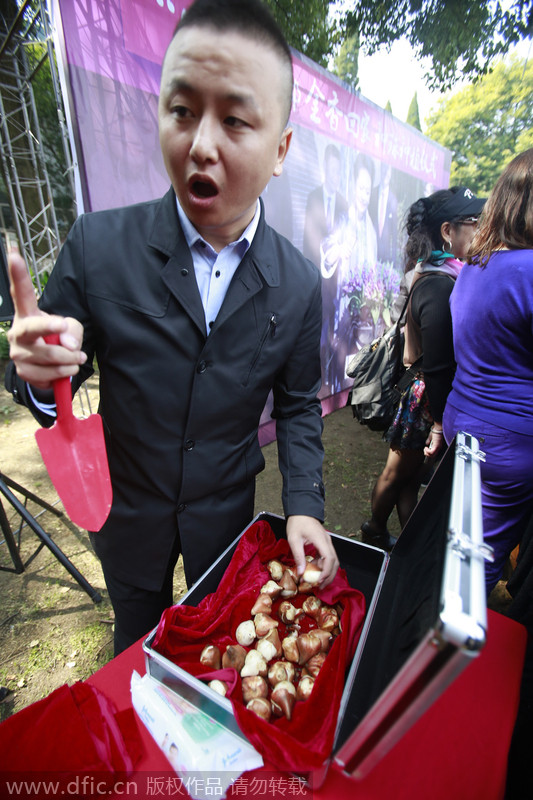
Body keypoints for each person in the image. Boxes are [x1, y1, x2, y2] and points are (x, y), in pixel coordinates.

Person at [5, 0, 338, 655]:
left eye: (235, 119)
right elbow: (46, 391)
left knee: (210, 646)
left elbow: (298, 405)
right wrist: (43, 380)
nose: (200, 144)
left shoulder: (298, 283)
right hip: (126, 515)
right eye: (181, 111)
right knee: (135, 646)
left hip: (224, 515)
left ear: (280, 150)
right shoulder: (97, 246)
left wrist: (303, 505)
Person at [360, 186, 485, 549]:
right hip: (424, 396)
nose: (480, 228)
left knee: (409, 478)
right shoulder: (437, 285)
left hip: (426, 394)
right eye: (473, 222)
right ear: (447, 231)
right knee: (396, 473)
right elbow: (437, 364)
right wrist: (437, 423)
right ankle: (374, 532)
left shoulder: (441, 275)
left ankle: (404, 546)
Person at [443, 149, 533, 596]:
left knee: (461, 542)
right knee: (472, 575)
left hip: (464, 423)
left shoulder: (474, 268)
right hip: (509, 439)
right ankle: (433, 655)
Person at [303, 144, 348, 389]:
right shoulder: (313, 197)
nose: (334, 175)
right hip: (314, 280)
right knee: (313, 333)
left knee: (332, 334)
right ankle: (311, 379)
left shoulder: (343, 204)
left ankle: (328, 380)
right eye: (331, 170)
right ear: (324, 169)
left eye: (338, 171)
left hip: (336, 284)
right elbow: (307, 241)